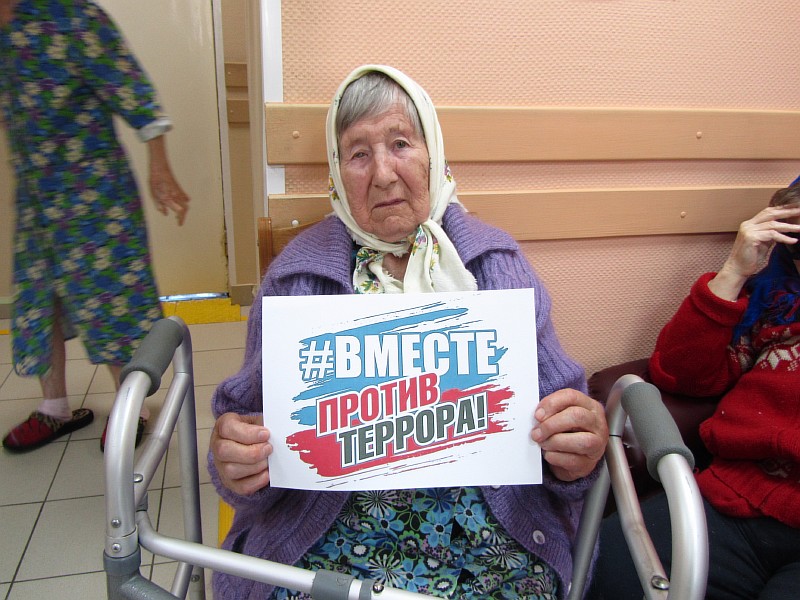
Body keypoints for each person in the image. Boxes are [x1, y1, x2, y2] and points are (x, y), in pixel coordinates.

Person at [209, 64, 608, 599]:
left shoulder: (495, 266)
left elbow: (565, 417)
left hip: (491, 548)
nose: (383, 173)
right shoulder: (296, 281)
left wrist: (576, 445)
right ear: (336, 172)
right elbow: (243, 426)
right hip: (330, 548)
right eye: (358, 153)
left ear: (432, 153)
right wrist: (235, 459)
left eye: (400, 143)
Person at [590, 185, 800, 599]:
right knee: (606, 566)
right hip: (735, 495)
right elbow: (680, 375)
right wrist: (735, 271)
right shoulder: (777, 306)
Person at [0, 0, 190, 452]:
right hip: (36, 195)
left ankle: (132, 406)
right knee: (39, 300)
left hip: (94, 193)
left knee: (113, 300)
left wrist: (160, 168)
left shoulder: (73, 16)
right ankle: (54, 408)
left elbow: (133, 88)